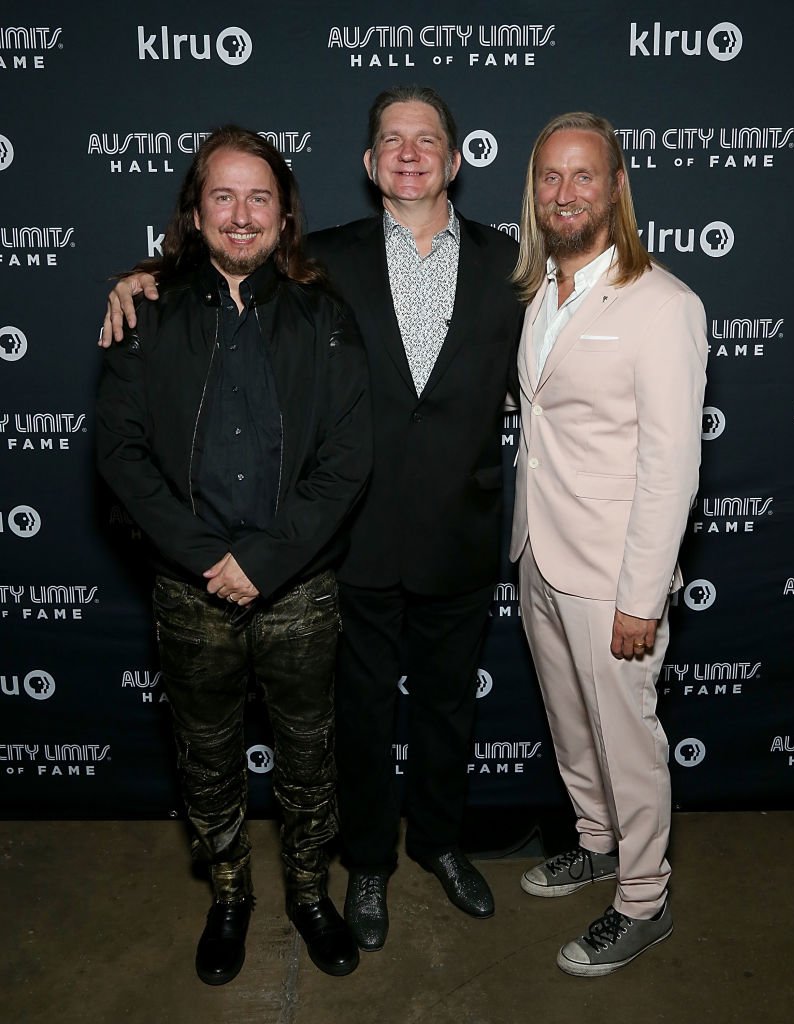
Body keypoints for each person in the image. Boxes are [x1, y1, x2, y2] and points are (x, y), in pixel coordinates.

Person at [100, 86, 523, 954]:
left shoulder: (509, 262)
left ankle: (439, 844)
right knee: (356, 718)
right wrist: (137, 277)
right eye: (390, 141)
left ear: (454, 158)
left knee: (448, 710)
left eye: (427, 139)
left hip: (460, 530)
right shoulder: (320, 261)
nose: (408, 153)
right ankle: (364, 863)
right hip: (354, 541)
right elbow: (214, 267)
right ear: (368, 166)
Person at [96, 126, 371, 982]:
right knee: (207, 756)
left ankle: (308, 894)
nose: (241, 214)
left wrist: (268, 559)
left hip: (298, 590)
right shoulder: (146, 312)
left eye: (259, 197)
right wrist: (204, 556)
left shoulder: (325, 316)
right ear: (195, 209)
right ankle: (227, 896)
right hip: (190, 592)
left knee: (307, 753)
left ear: (285, 214)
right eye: (223, 195)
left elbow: (348, 457)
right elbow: (121, 453)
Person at [509, 112, 707, 977]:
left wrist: (641, 592)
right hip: (538, 553)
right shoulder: (538, 289)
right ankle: (596, 844)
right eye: (550, 177)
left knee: (627, 738)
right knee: (571, 727)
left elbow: (670, 467)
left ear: (617, 185)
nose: (565, 193)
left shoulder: (662, 304)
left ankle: (642, 897)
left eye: (583, 175)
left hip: (611, 572)